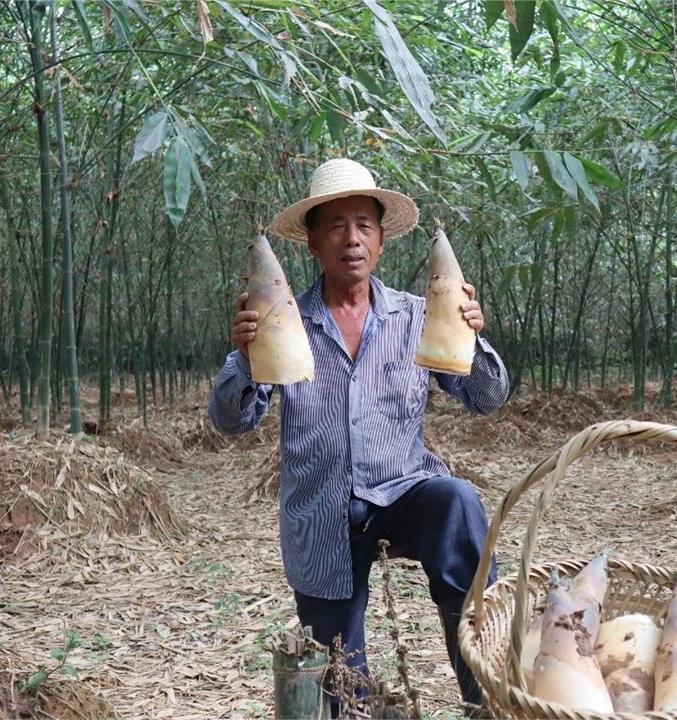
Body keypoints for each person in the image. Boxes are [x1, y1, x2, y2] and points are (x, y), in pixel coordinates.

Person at [208, 158, 509, 716]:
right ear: (313, 242)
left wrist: (471, 336)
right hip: (322, 515)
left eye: (364, 226)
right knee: (344, 685)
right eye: (337, 226)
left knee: (458, 501)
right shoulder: (282, 320)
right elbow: (230, 422)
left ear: (381, 242)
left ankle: (488, 695)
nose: (352, 239)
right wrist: (247, 361)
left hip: (403, 493)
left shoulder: (418, 316)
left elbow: (487, 399)